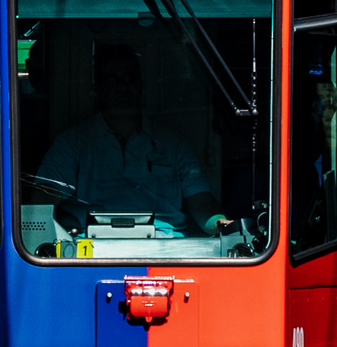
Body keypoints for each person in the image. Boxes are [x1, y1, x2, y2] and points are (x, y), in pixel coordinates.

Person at [35, 43, 233, 237]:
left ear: (141, 85)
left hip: (166, 246)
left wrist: (221, 225)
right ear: (98, 87)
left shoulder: (173, 143)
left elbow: (201, 201)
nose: (123, 87)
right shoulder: (73, 143)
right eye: (113, 80)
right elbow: (44, 196)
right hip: (91, 249)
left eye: (130, 79)